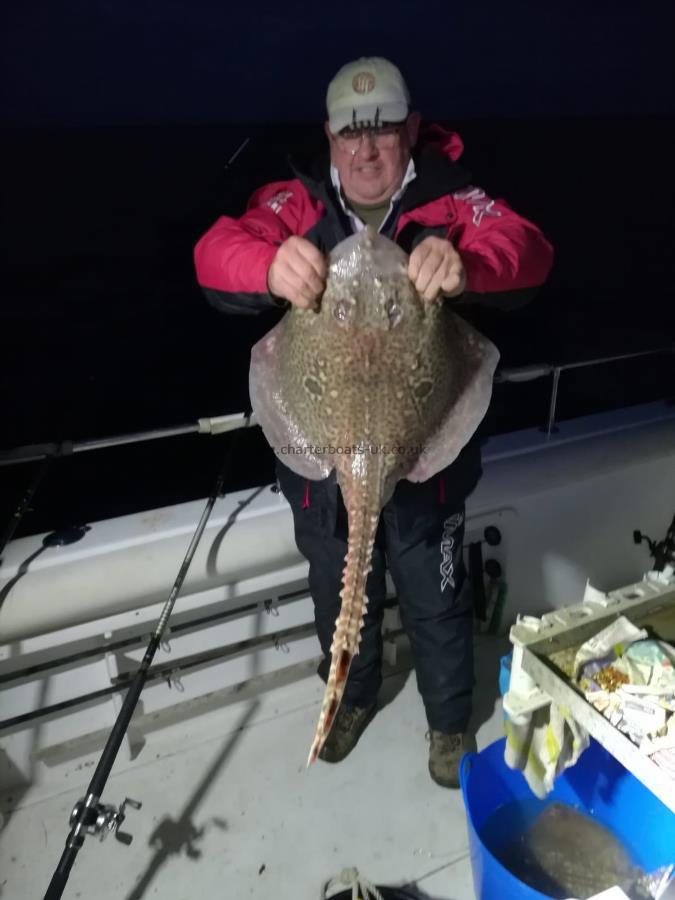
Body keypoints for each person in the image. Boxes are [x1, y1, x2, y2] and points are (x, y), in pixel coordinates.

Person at [194, 57, 554, 788]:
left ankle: (449, 723)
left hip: (428, 463)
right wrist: (266, 268)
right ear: (328, 137)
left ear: (411, 131)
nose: (365, 151)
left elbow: (528, 249)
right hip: (321, 467)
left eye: (384, 132)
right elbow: (212, 253)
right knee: (337, 590)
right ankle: (351, 698)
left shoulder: (456, 202)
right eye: (351, 135)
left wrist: (466, 266)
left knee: (438, 599)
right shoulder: (291, 205)